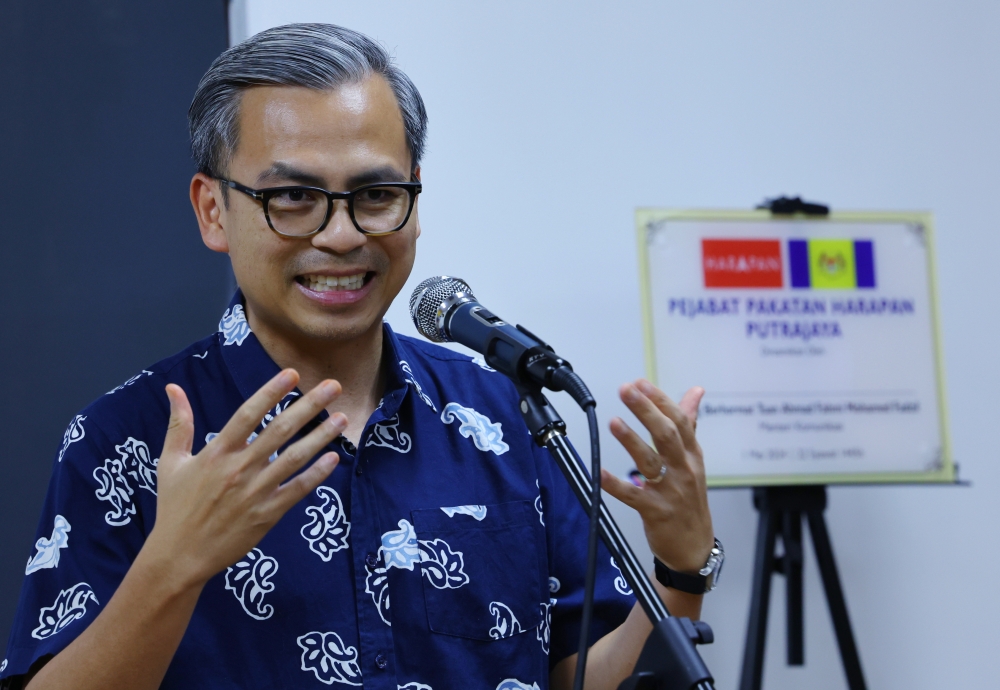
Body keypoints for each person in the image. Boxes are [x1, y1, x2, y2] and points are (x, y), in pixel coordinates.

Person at [1, 23, 718, 690]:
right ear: (213, 210)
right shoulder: (126, 441)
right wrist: (173, 566)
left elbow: (578, 674)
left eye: (376, 194)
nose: (342, 235)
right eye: (292, 196)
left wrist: (679, 568)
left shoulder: (502, 418)